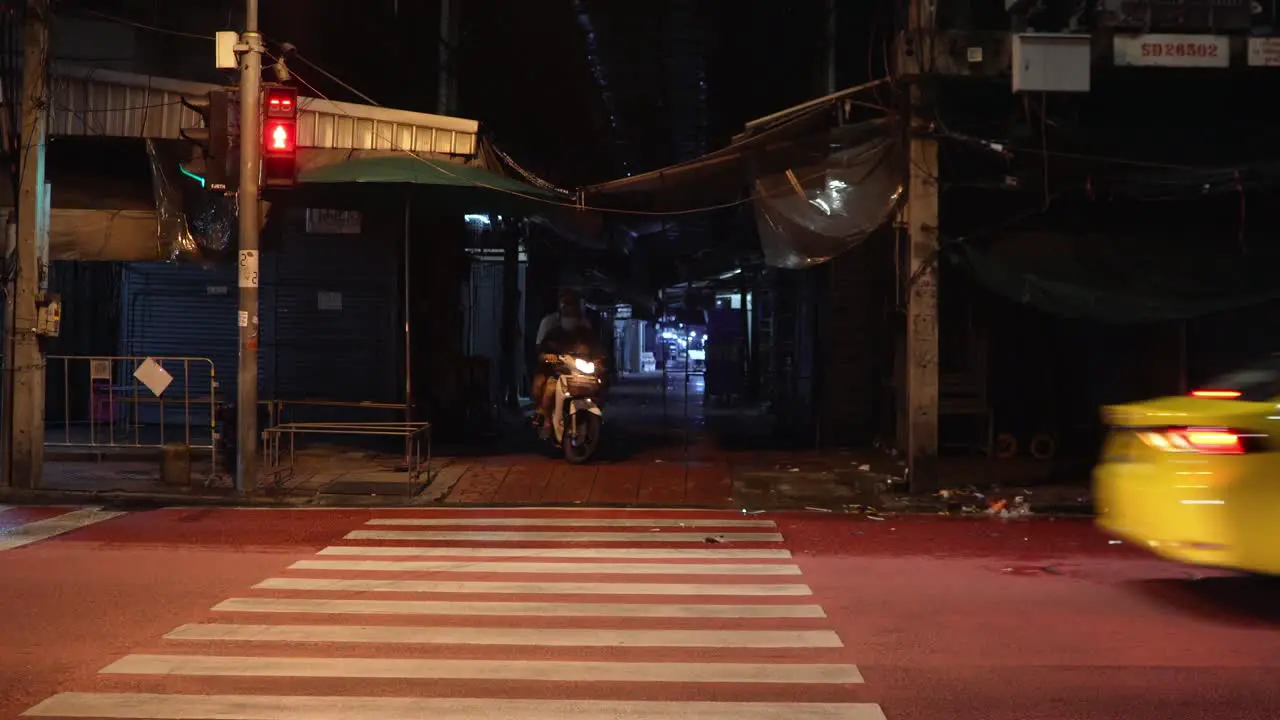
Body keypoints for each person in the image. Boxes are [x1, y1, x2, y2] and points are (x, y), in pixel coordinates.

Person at [531, 289, 595, 437]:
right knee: (549, 389)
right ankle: (547, 421)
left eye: (573, 304)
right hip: (555, 370)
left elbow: (594, 347)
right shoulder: (551, 328)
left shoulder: (584, 327)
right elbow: (542, 349)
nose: (569, 307)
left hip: (577, 370)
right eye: (566, 304)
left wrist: (599, 360)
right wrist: (548, 357)